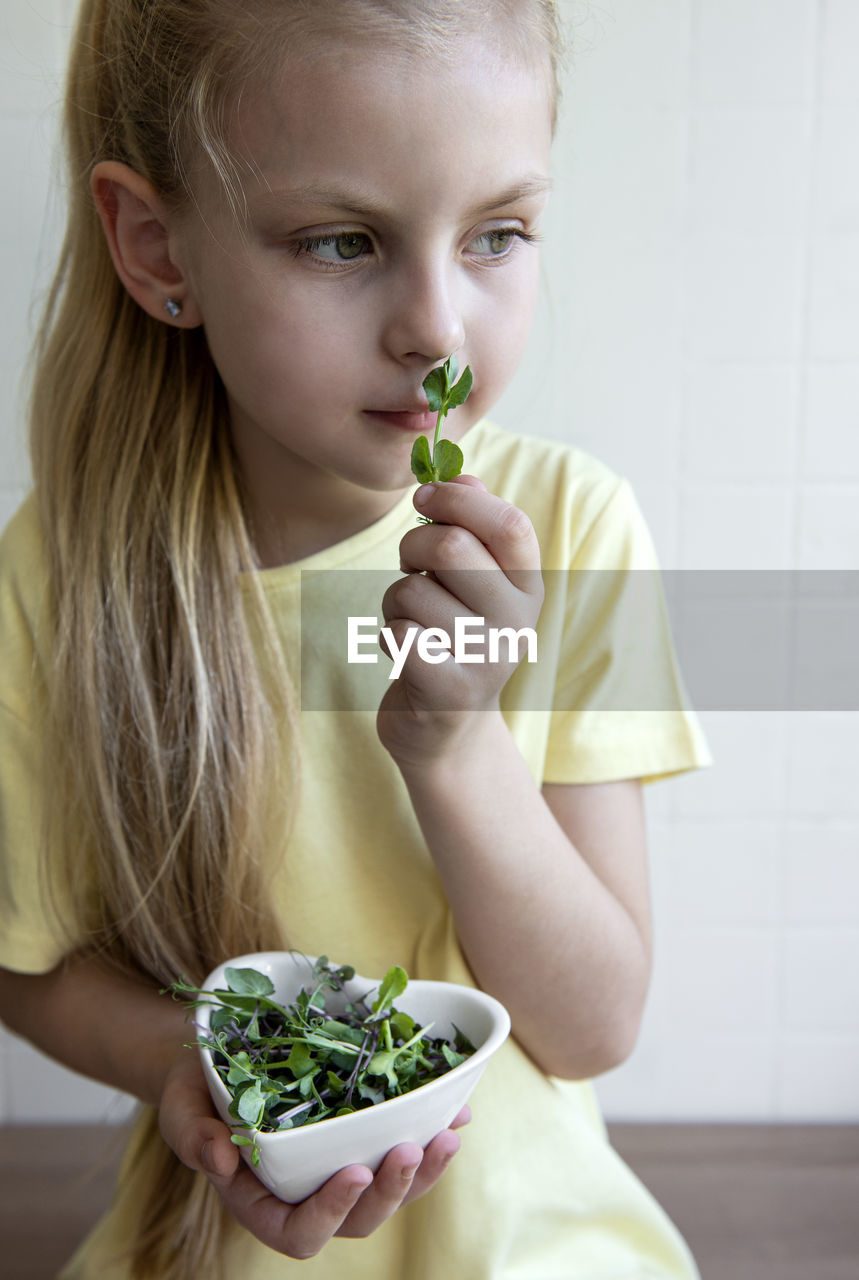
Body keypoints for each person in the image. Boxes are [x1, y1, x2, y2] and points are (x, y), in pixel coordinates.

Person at [0, 1, 710, 1277]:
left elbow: (594, 1019)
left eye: (496, 233)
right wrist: (191, 1062)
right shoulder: (60, 573)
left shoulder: (572, 529)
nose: (438, 328)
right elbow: (25, 958)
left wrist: (456, 749)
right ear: (159, 247)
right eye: (342, 241)